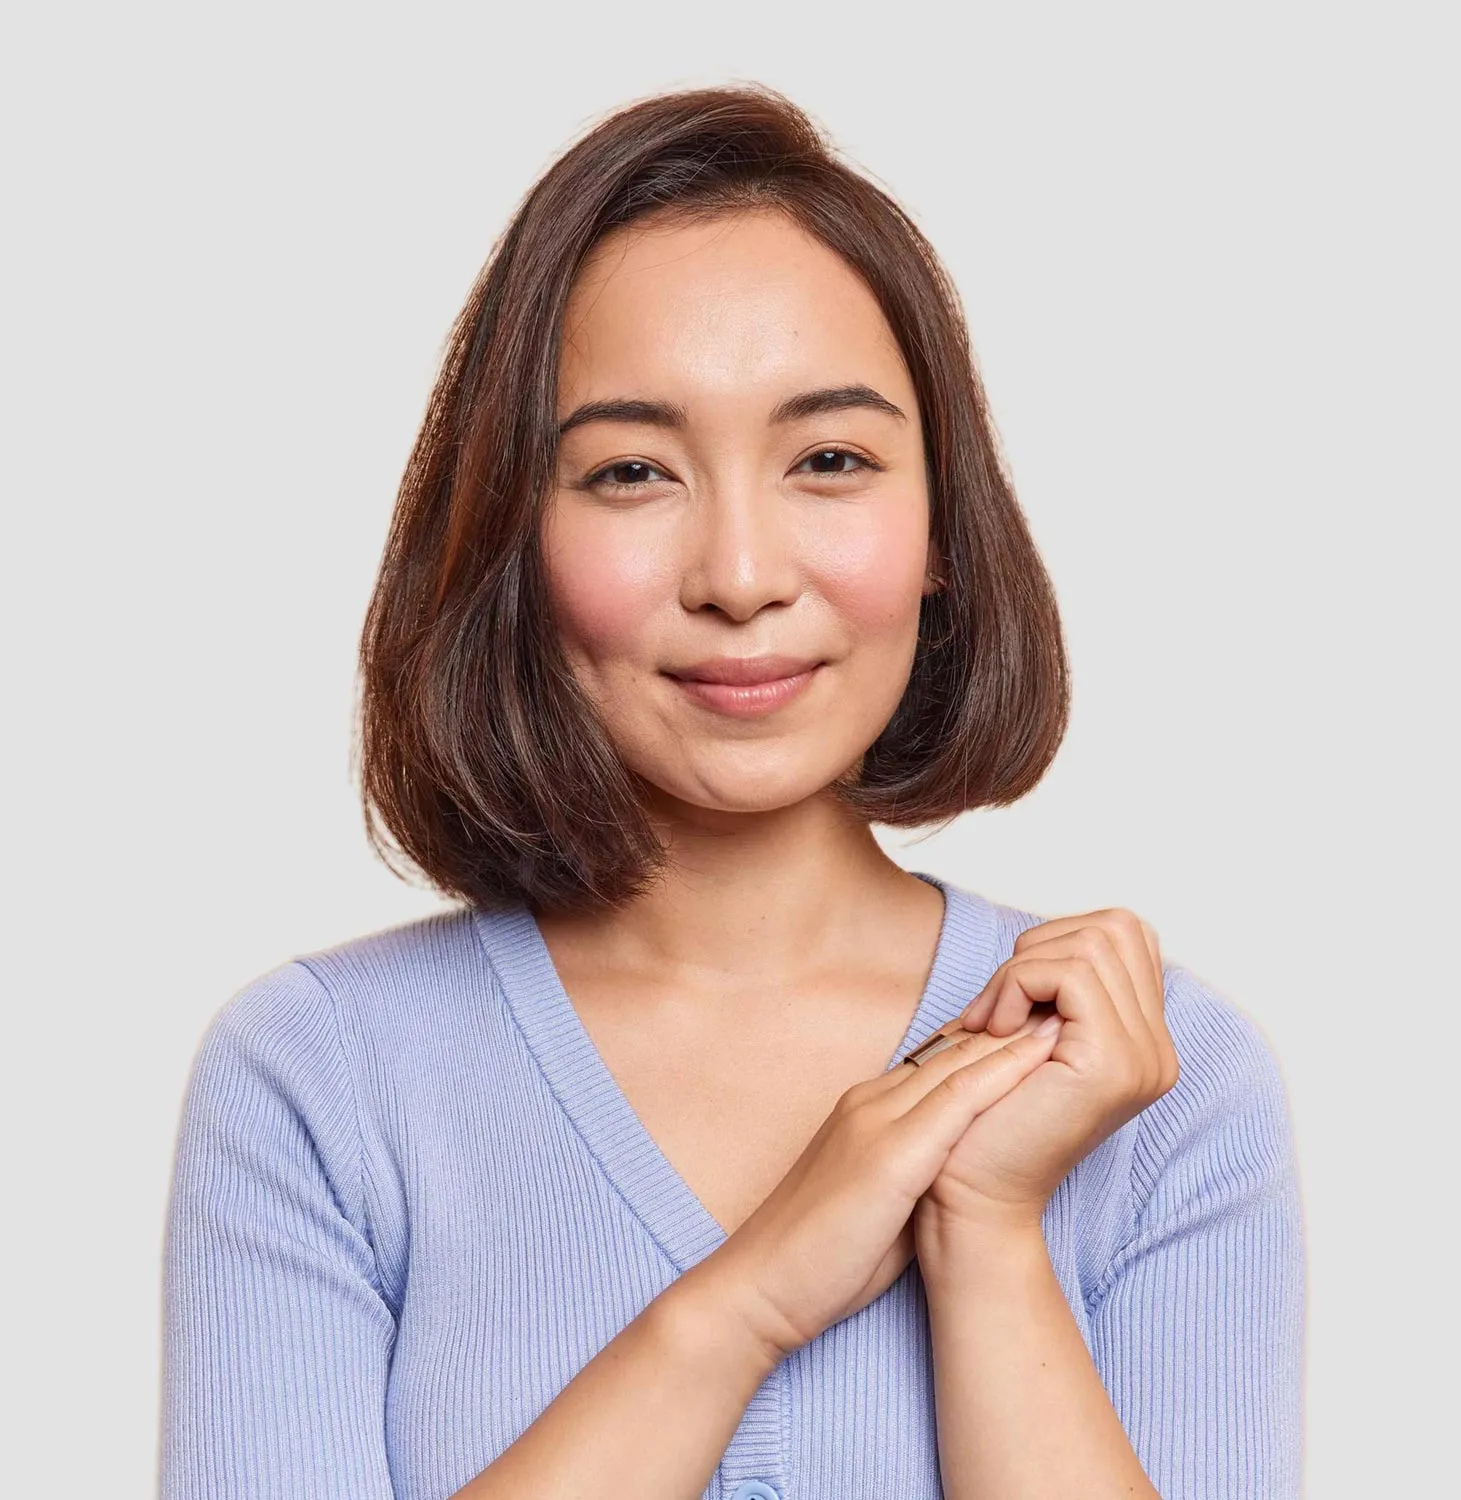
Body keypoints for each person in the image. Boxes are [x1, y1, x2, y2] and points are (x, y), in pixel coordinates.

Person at [160, 83, 1304, 1500]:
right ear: (516, 535)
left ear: (943, 524)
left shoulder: (1160, 1085)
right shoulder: (320, 1079)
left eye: (831, 460)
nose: (743, 575)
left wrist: (995, 1234)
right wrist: (751, 1296)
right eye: (633, 471)